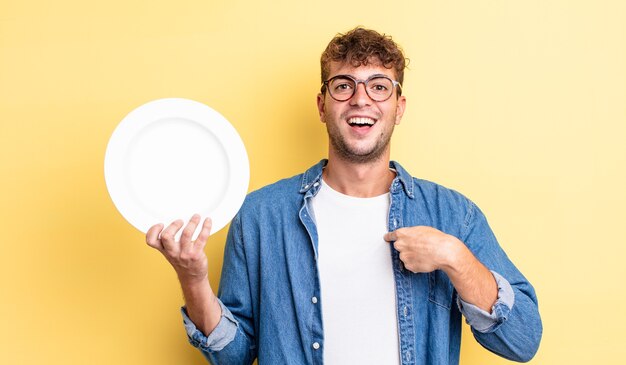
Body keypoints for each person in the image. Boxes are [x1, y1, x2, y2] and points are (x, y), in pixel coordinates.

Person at [145, 27, 542, 365]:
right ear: (322, 105)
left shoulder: (453, 216)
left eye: (379, 86)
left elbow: (523, 340)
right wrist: (193, 278)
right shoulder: (260, 215)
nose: (361, 98)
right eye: (343, 85)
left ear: (398, 108)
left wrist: (456, 258)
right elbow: (234, 355)